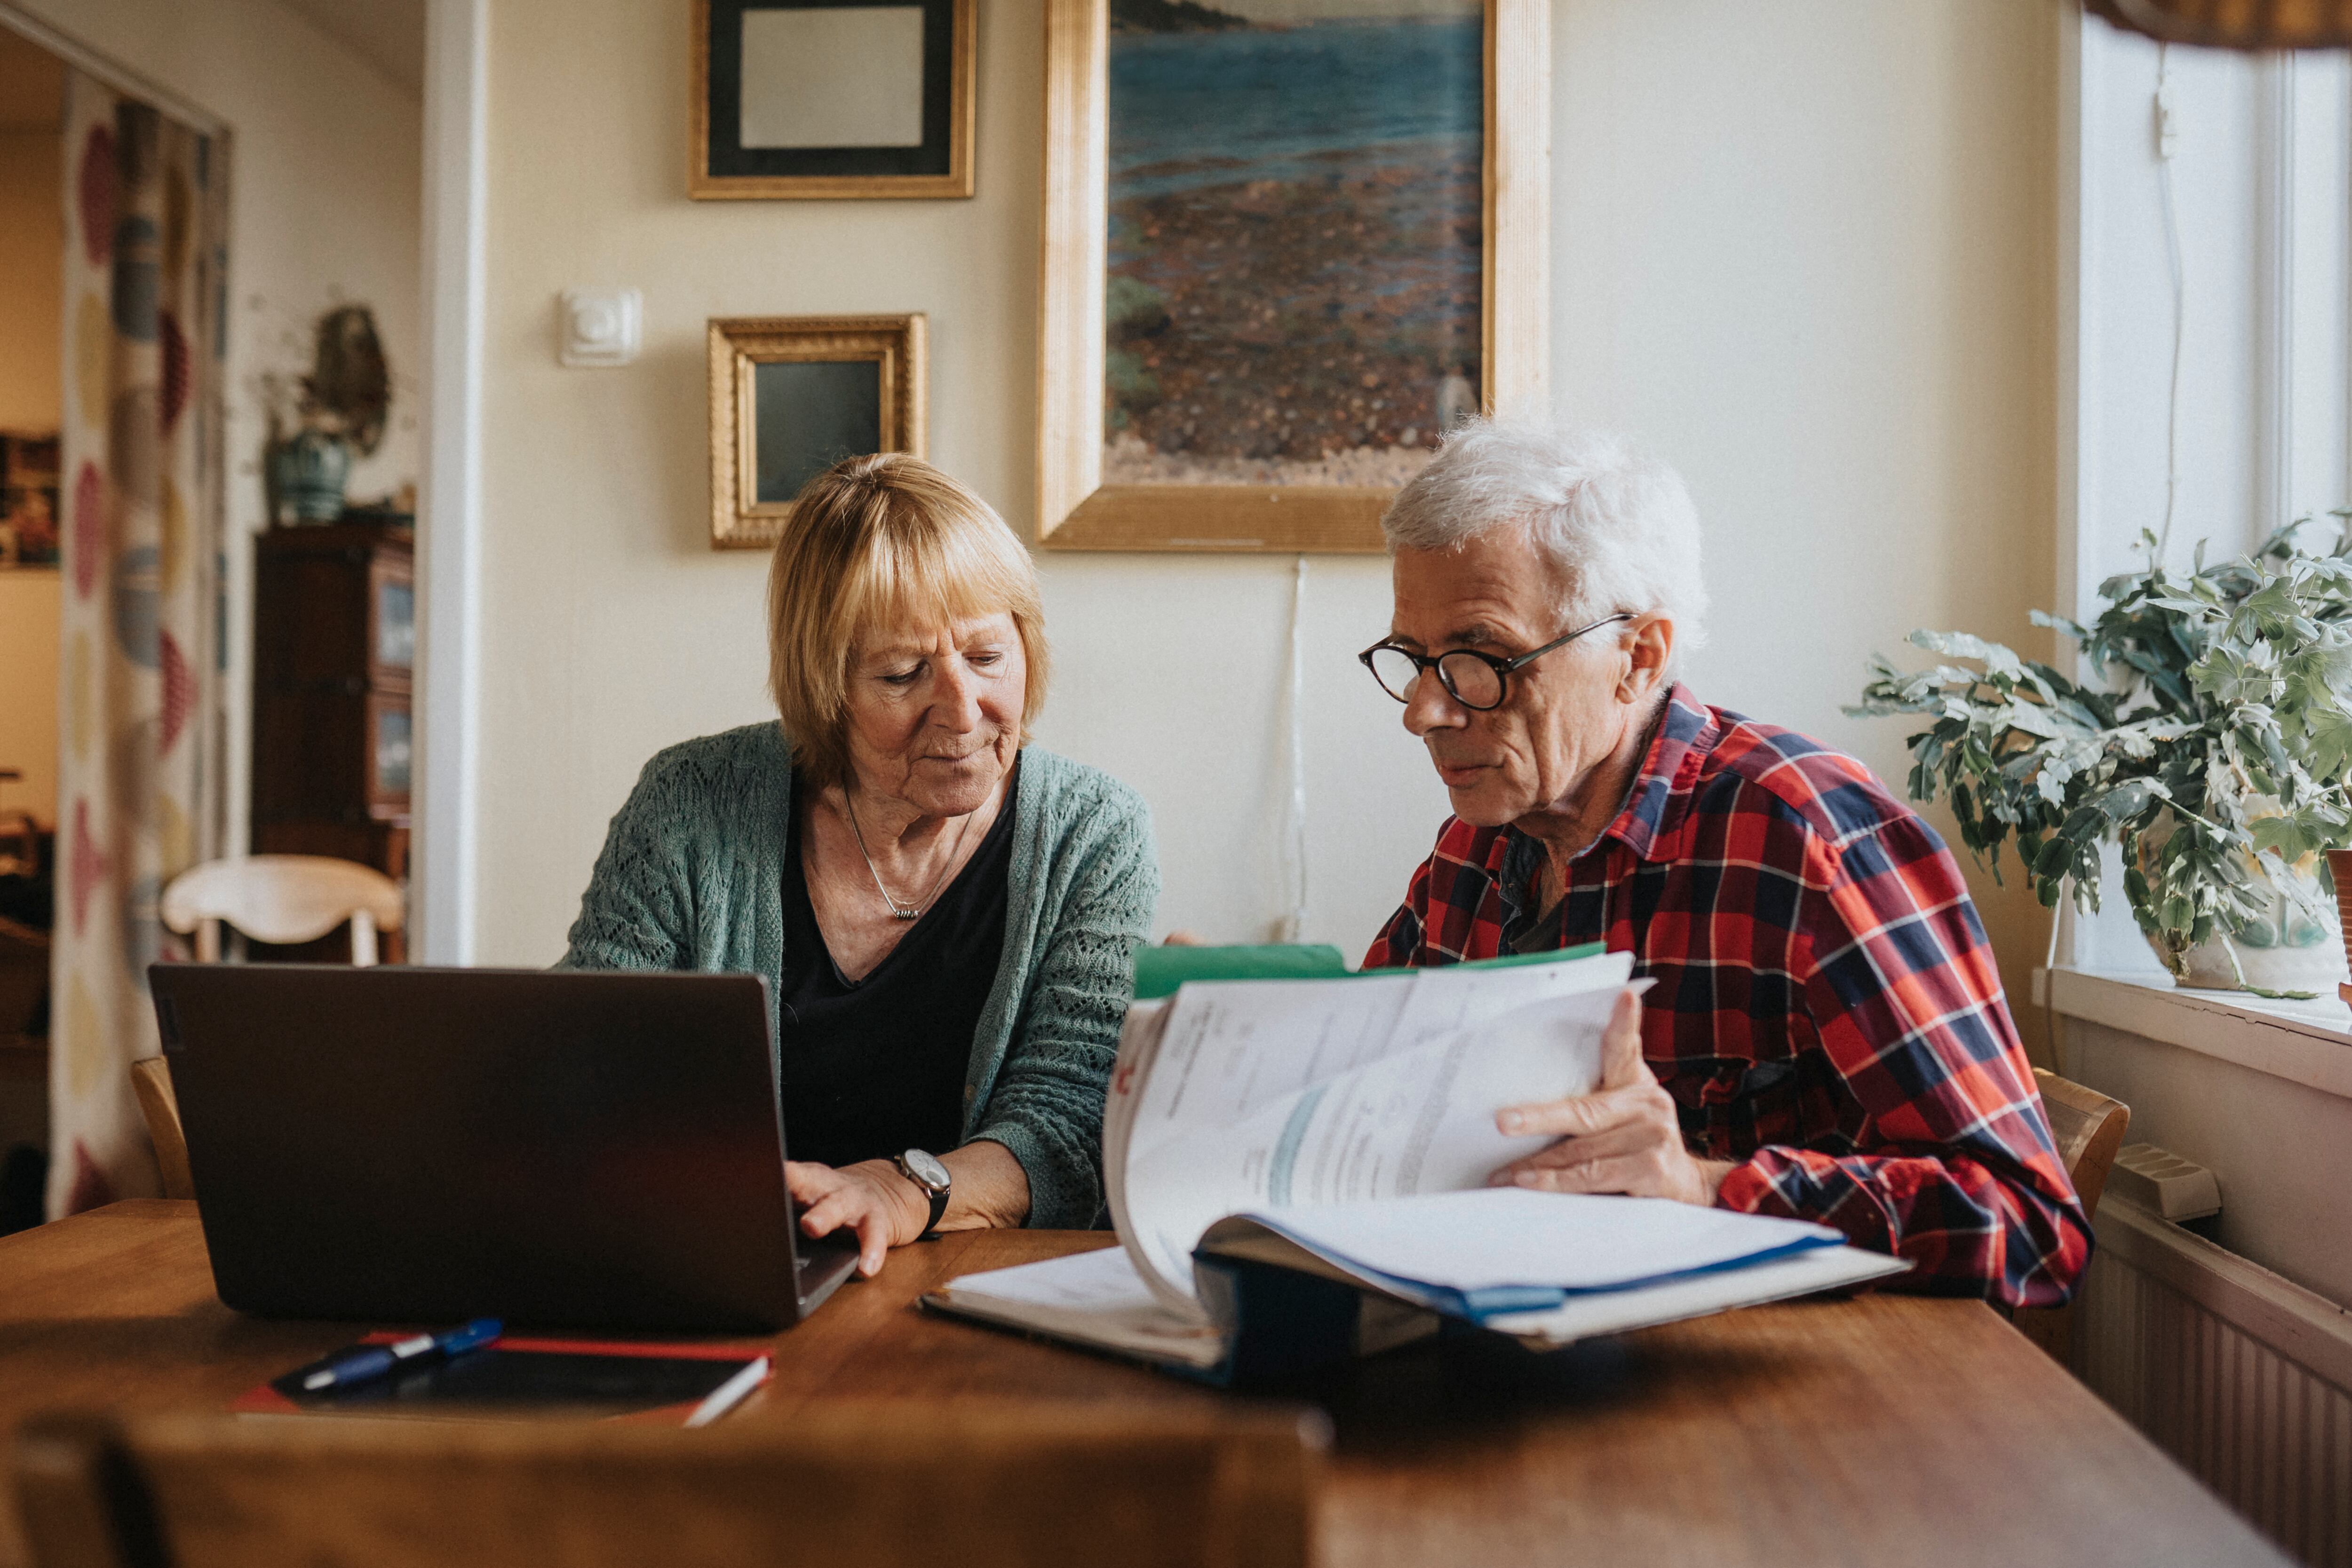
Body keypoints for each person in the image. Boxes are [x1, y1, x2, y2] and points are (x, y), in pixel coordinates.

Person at [1357, 420, 2089, 1306]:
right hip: (1531, 1343)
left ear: (1638, 656)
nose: (1425, 711)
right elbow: (1367, 1094)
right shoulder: (1474, 848)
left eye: (1480, 659)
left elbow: (2027, 1221)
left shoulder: (1808, 839)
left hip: (1785, 1394)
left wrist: (1704, 1187)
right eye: (1415, 660)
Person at [564, 454, 1158, 1276]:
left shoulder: (1093, 832)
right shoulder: (691, 802)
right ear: (822, 687)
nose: (961, 708)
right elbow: (585, 1061)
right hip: (730, 1267)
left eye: (987, 657)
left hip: (983, 1282)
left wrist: (906, 1189)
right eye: (902, 673)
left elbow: (1067, 1119)